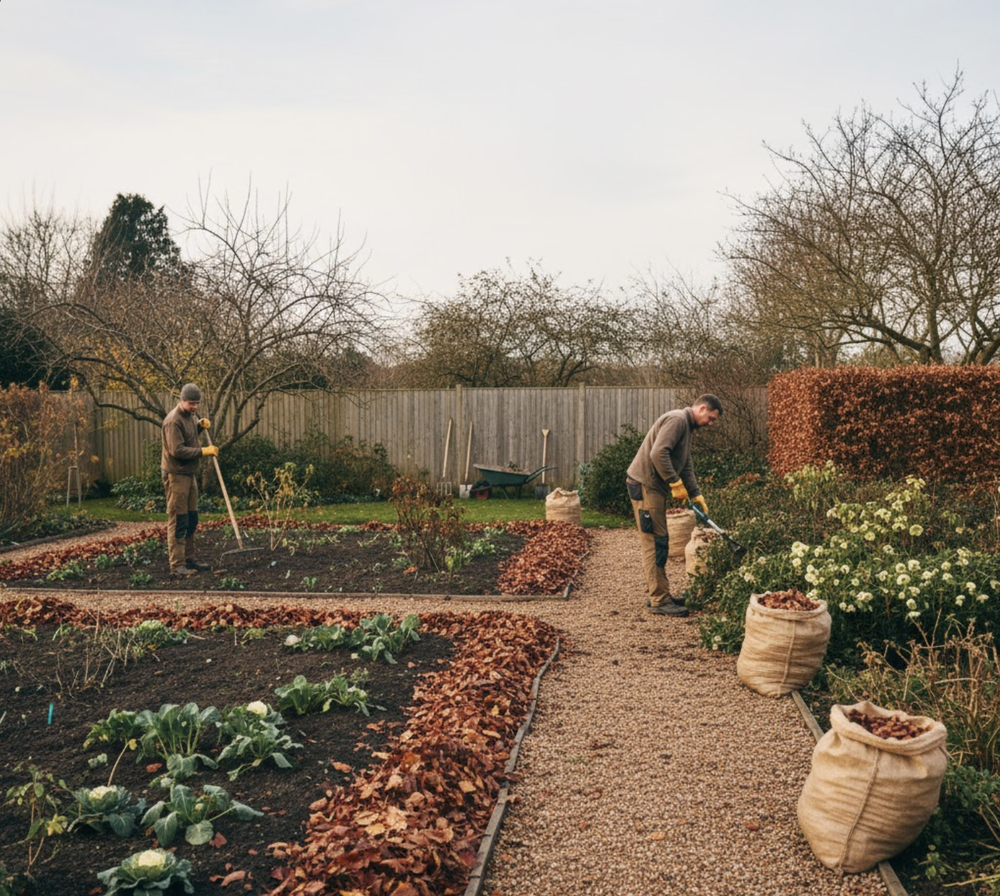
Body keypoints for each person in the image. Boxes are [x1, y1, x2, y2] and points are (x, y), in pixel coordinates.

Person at [626, 394, 722, 616]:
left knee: (660, 539)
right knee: (655, 541)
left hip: (653, 487)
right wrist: (674, 482)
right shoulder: (678, 420)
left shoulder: (686, 427)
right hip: (645, 485)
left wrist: (696, 494)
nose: (710, 424)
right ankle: (659, 599)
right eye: (711, 418)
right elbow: (658, 453)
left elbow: (685, 464)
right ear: (702, 408)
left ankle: (661, 593)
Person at [161, 383, 217, 577]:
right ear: (181, 400)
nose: (194, 407)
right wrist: (204, 451)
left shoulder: (190, 417)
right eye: (191, 403)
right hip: (176, 475)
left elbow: (188, 438)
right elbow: (177, 450)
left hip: (189, 474)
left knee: (192, 518)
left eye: (196, 403)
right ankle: (177, 566)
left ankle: (189, 560)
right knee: (179, 519)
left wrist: (199, 429)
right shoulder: (172, 421)